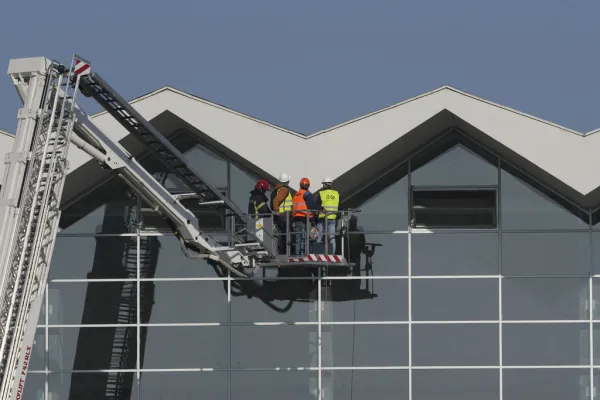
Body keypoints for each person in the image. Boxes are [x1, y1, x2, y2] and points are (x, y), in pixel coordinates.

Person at [291, 177, 318, 256]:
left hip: (296, 218)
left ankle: (297, 254)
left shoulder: (296, 194)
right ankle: (305, 254)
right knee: (306, 237)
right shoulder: (307, 193)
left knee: (298, 238)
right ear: (308, 186)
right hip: (305, 218)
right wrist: (321, 208)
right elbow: (311, 205)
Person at [315, 177, 339, 254]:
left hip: (322, 218)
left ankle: (318, 253)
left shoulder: (321, 193)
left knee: (320, 236)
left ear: (325, 184)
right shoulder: (336, 194)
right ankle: (332, 254)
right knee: (332, 237)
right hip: (332, 218)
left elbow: (317, 205)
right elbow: (340, 207)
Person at [270, 173, 293, 254]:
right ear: (287, 181)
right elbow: (276, 200)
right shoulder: (284, 190)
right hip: (284, 216)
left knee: (282, 235)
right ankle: (284, 252)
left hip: (282, 216)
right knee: (285, 236)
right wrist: (277, 210)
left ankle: (282, 252)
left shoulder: (277, 189)